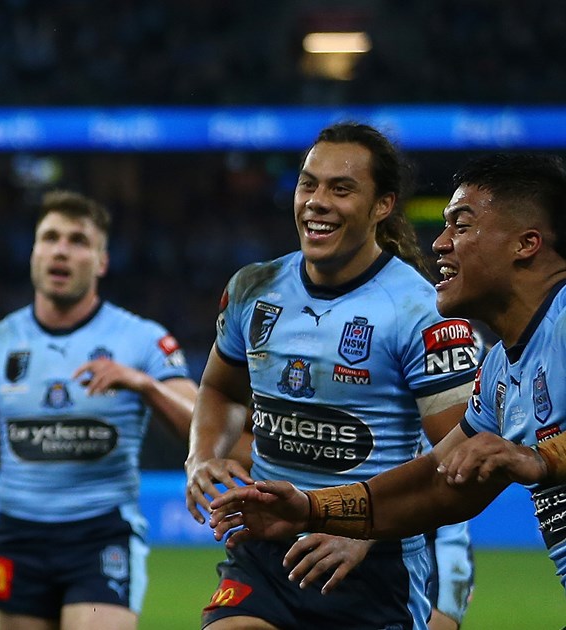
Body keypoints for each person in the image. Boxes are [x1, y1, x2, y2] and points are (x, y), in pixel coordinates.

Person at [209, 153, 566, 594]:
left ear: (526, 243)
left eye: (461, 225)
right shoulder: (498, 371)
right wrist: (311, 509)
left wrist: (541, 458)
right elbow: (435, 484)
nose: (440, 243)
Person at [184, 123, 478, 630]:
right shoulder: (254, 288)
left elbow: (457, 460)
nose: (317, 202)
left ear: (382, 205)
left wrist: (366, 525)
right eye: (308, 184)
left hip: (372, 564)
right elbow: (220, 389)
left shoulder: (421, 311)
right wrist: (203, 455)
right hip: (266, 547)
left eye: (341, 189)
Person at [0, 190, 199, 629]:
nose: (61, 250)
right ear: (34, 253)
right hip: (18, 534)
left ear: (102, 262)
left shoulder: (142, 340)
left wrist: (145, 385)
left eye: (78, 241)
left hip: (102, 532)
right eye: (50, 238)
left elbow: (205, 427)